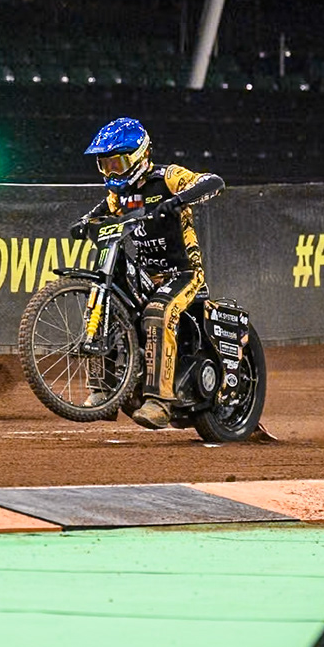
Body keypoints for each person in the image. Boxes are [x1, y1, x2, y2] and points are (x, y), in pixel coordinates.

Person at [77, 118, 225, 430]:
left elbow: (213, 182)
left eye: (116, 163)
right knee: (104, 301)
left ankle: (159, 402)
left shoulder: (167, 177)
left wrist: (179, 199)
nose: (111, 173)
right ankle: (102, 390)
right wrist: (84, 223)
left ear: (138, 156)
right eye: (105, 166)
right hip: (147, 275)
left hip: (183, 274)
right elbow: (100, 212)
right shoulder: (120, 196)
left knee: (157, 314)